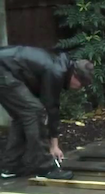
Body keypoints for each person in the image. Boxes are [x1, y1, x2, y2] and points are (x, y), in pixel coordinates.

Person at [0, 46, 95, 180]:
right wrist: (53, 146)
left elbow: (51, 106)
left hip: (6, 70)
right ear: (74, 75)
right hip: (4, 71)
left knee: (23, 116)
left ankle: (10, 166)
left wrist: (54, 144)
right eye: (81, 83)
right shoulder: (55, 72)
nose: (80, 88)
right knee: (34, 111)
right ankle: (45, 167)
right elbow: (51, 108)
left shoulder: (59, 67)